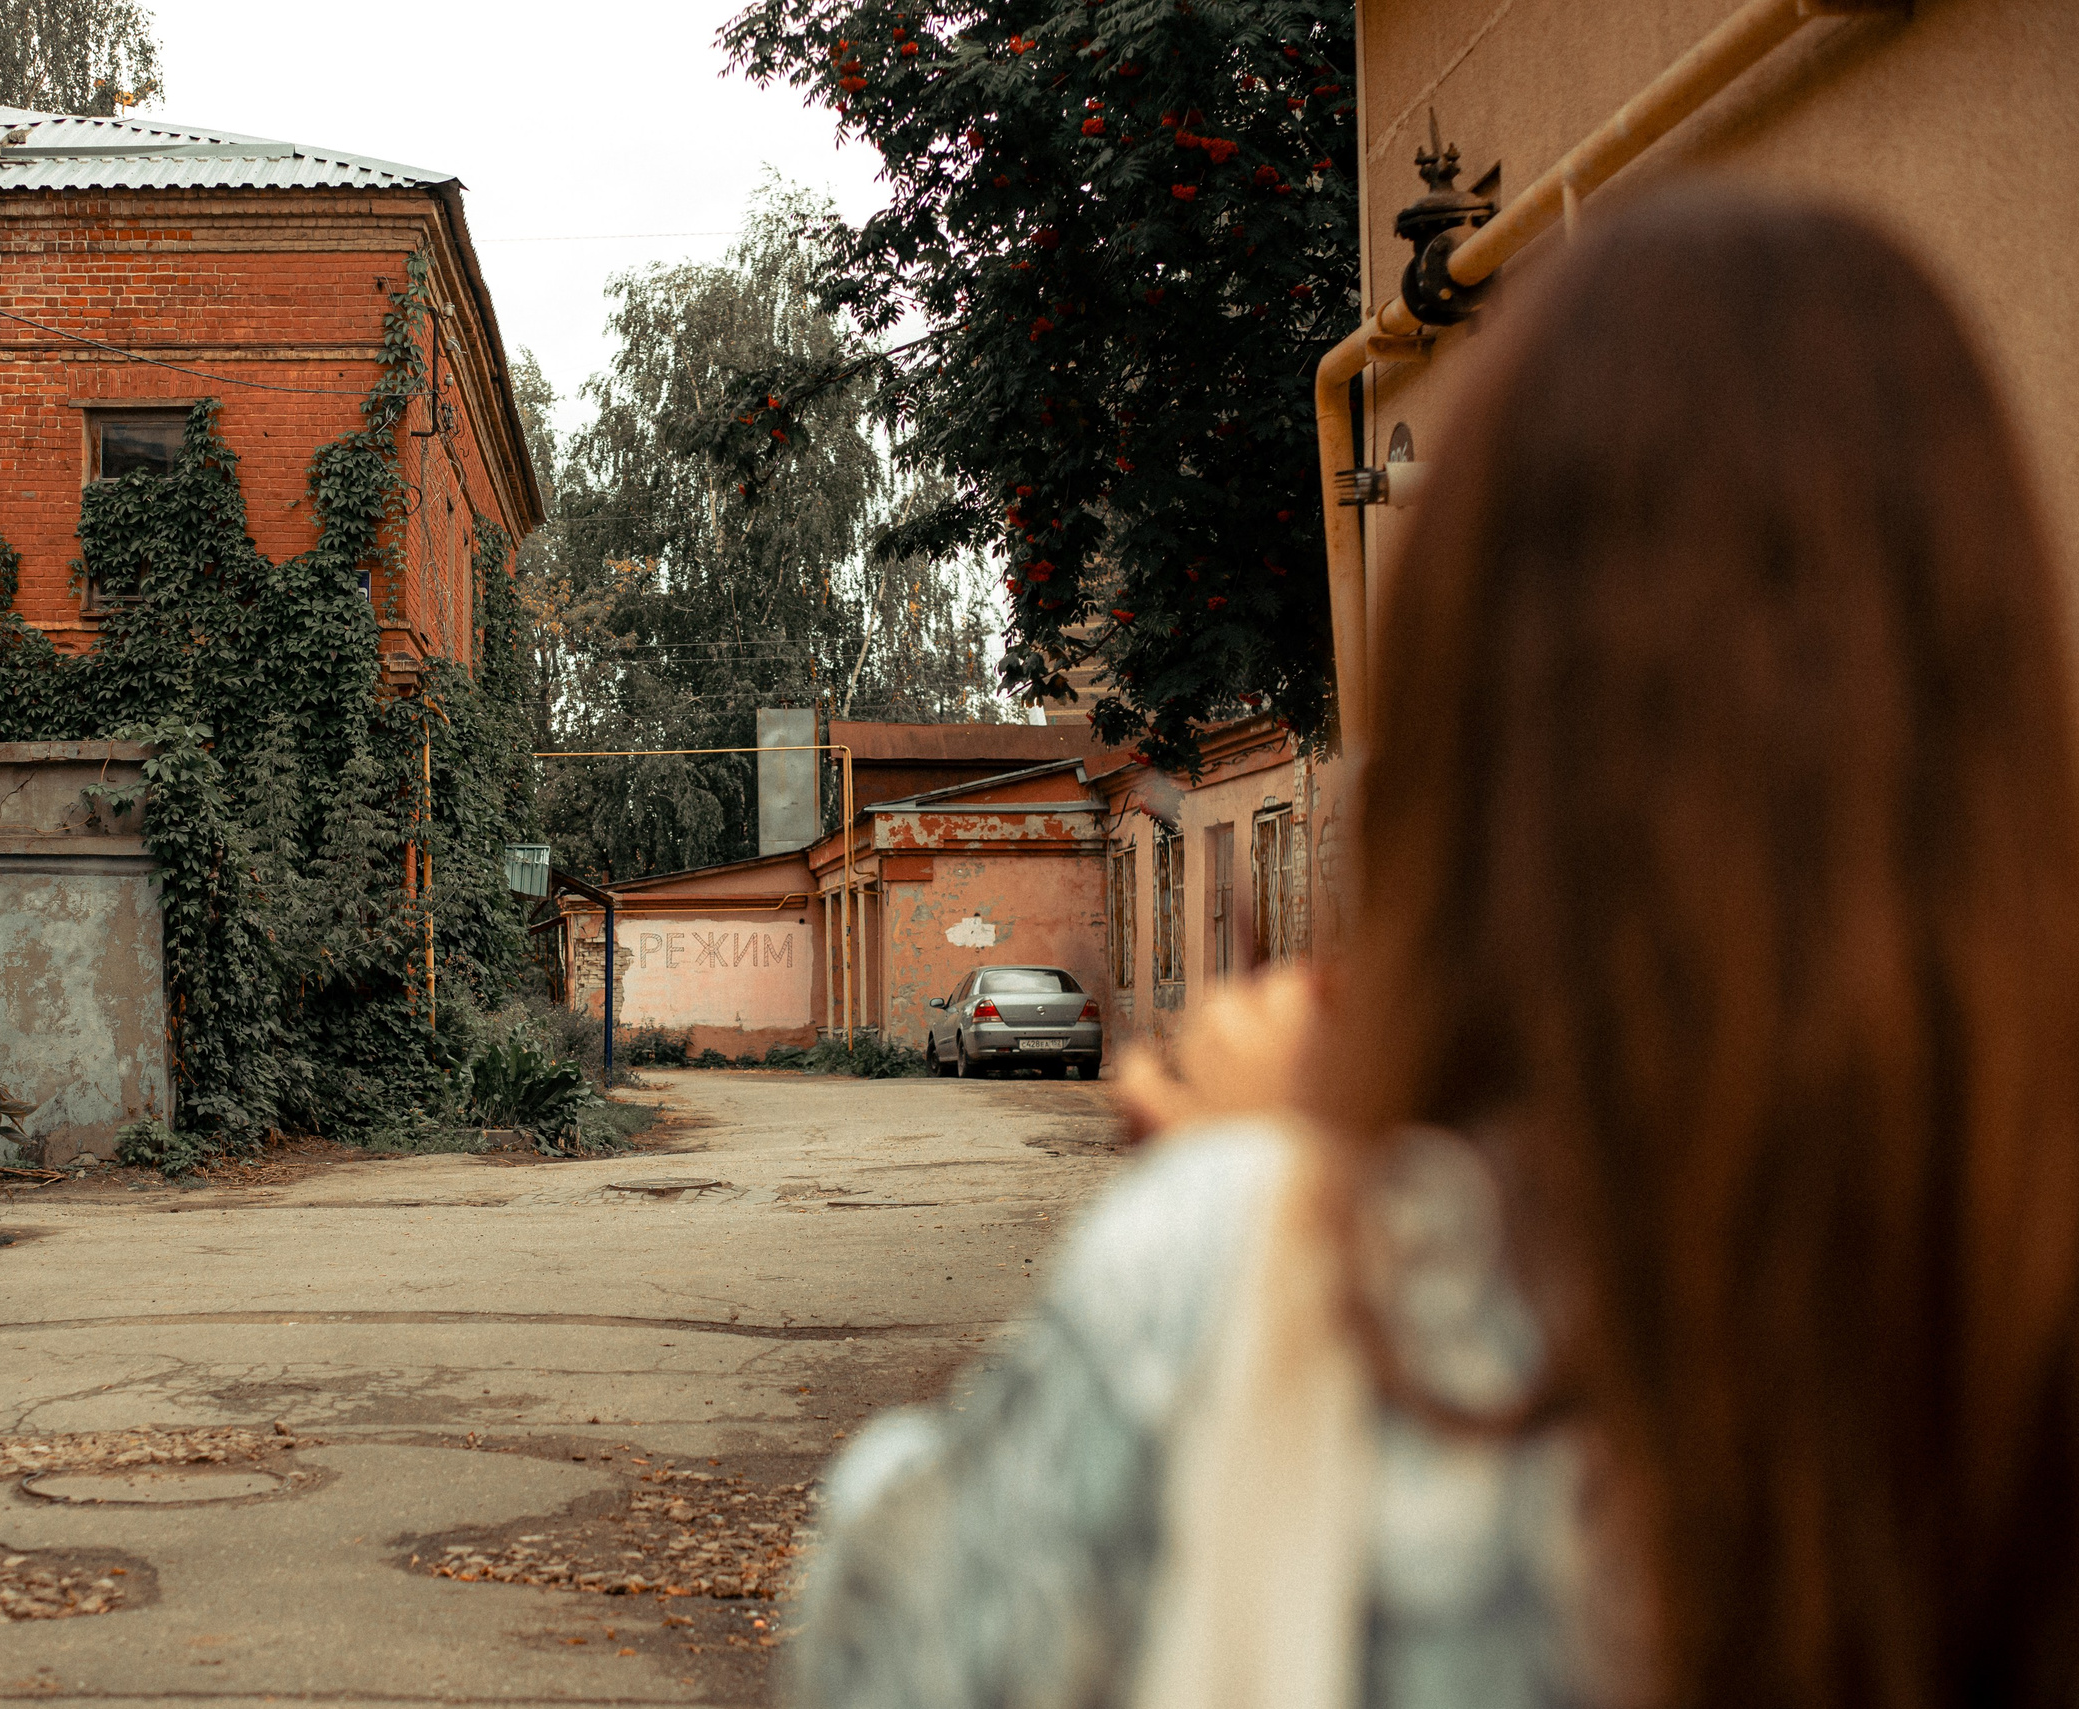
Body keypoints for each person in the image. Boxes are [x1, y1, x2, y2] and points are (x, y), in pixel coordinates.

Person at [786, 182, 2079, 1709]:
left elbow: (875, 1647)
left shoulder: (1272, 1285)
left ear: (1479, 706)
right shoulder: (2005, 1314)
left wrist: (1253, 1177)